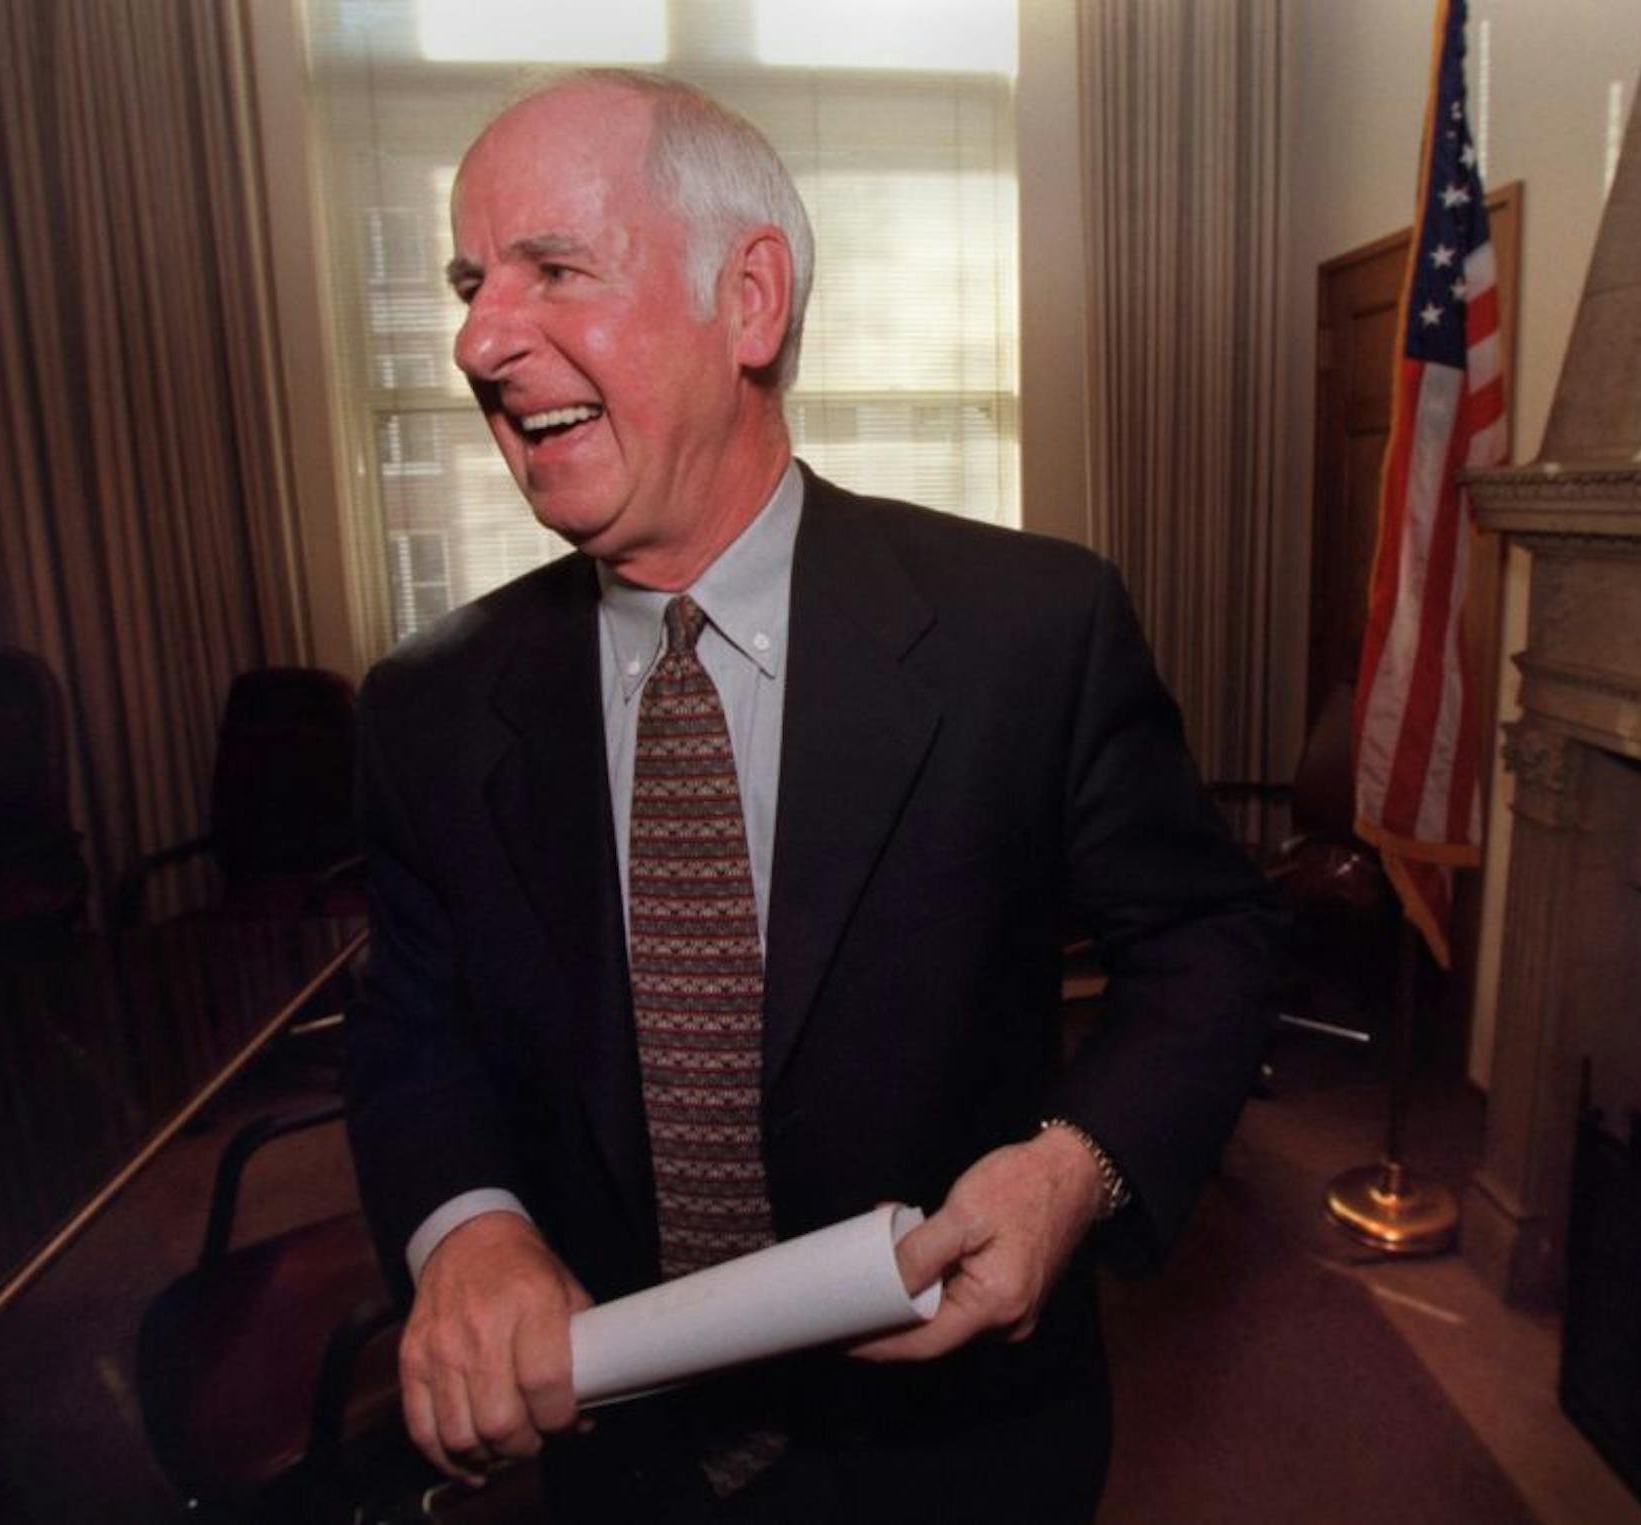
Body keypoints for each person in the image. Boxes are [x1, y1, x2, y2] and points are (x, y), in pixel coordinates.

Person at [346, 69, 1284, 1523]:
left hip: (963, 1454)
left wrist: (1076, 1169)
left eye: (554, 269)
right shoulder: (426, 707)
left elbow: (1208, 944)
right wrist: (468, 1228)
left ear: (751, 300)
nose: (476, 338)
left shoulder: (1031, 630)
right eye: (472, 283)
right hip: (619, 1471)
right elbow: (414, 1031)